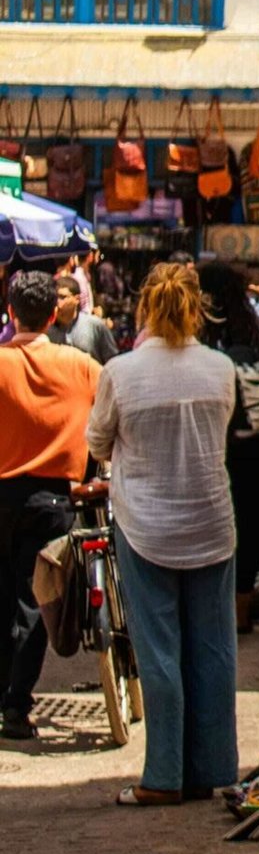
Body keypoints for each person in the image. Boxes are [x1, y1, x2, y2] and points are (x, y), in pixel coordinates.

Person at [86, 261, 239, 806]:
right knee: (214, 649)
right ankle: (214, 766)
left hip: (146, 524)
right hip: (210, 522)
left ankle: (164, 774)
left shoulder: (121, 372)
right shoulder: (220, 369)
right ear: (197, 307)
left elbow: (99, 442)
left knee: (160, 651)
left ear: (144, 307)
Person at [0, 272, 100, 741]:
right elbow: (111, 419)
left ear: (12, 311)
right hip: (56, 499)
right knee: (36, 600)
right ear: (54, 313)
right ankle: (16, 704)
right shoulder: (81, 366)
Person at [198, 259, 259, 635]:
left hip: (216, 439)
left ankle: (214, 604)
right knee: (255, 517)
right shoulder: (254, 324)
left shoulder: (196, 329)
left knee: (216, 517)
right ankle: (242, 603)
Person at [48, 265, 118, 365]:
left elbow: (112, 362)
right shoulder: (47, 331)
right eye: (55, 297)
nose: (58, 302)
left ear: (77, 299)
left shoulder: (95, 327)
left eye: (63, 297)